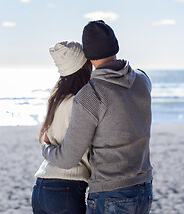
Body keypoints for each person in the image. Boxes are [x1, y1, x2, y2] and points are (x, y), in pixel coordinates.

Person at [41, 20, 153, 214]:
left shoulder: (90, 95)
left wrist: (46, 148)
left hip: (110, 193)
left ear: (88, 55)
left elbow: (68, 158)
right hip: (144, 189)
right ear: (115, 45)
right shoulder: (143, 80)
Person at [32, 41, 92, 214]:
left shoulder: (57, 99)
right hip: (66, 188)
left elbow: (46, 140)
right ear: (83, 66)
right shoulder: (79, 103)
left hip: (41, 186)